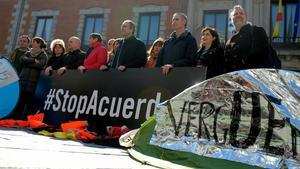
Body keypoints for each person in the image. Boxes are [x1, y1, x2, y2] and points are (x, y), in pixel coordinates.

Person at [224, 5, 269, 73]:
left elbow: (261, 57)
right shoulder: (229, 41)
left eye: (241, 13)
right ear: (231, 18)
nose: (238, 15)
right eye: (235, 14)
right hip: (233, 80)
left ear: (246, 17)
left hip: (252, 79)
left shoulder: (257, 31)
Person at [16, 37, 48, 119]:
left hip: (33, 83)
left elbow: (40, 65)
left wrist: (28, 62)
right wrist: (33, 60)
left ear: (39, 44)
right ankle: (16, 118)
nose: (32, 43)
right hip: (23, 80)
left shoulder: (43, 55)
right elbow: (22, 59)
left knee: (29, 103)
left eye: (34, 42)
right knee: (19, 102)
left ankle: (25, 120)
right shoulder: (28, 52)